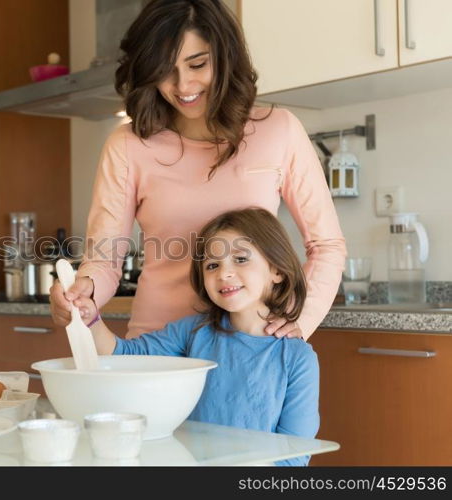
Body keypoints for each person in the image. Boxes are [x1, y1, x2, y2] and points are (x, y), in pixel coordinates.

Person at [50, 0, 346, 340]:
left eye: (197, 64)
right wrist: (83, 289)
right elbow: (104, 260)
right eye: (165, 70)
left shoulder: (278, 130)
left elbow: (327, 246)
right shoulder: (128, 145)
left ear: (224, 56)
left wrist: (300, 320)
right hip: (158, 347)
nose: (183, 85)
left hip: (248, 348)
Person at [76, 208, 319, 466]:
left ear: (277, 270)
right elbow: (122, 356)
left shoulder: (297, 358)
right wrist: (90, 320)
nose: (224, 273)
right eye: (213, 265)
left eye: (240, 259)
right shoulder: (191, 333)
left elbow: (295, 454)